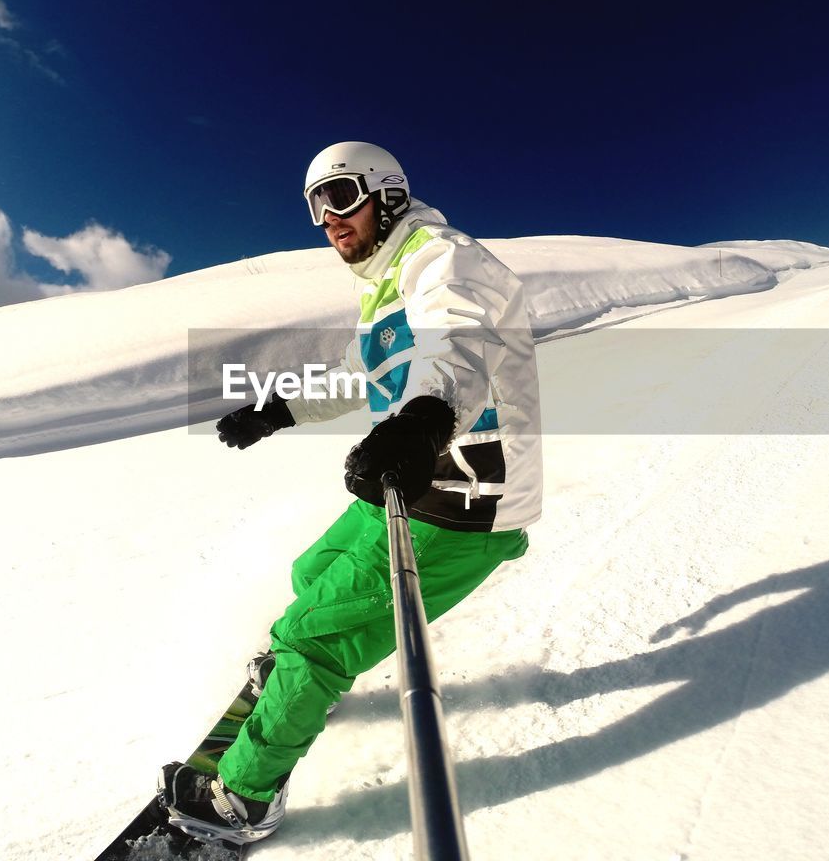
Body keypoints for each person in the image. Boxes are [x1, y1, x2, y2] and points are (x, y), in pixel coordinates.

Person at [157, 141, 544, 845]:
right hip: (412, 477)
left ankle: (246, 795)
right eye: (316, 205)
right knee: (312, 573)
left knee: (320, 636)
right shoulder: (386, 285)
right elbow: (352, 376)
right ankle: (292, 678)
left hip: (462, 495)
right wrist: (275, 411)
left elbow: (458, 344)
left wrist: (424, 420)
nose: (329, 218)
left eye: (340, 196)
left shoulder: (443, 260)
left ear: (386, 192)